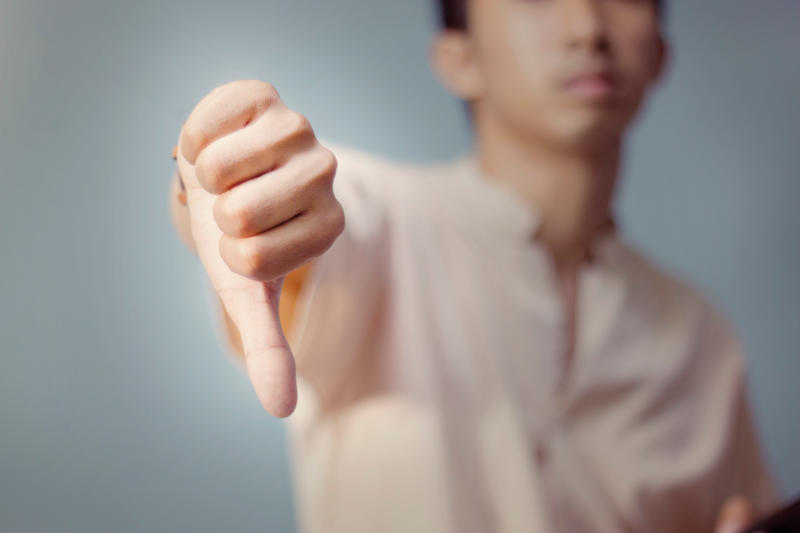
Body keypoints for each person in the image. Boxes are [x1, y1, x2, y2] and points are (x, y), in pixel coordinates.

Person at [169, 0, 778, 531]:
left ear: (660, 53)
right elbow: (314, 223)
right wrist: (236, 181)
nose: (586, 26)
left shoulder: (703, 340)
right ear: (458, 57)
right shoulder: (379, 223)